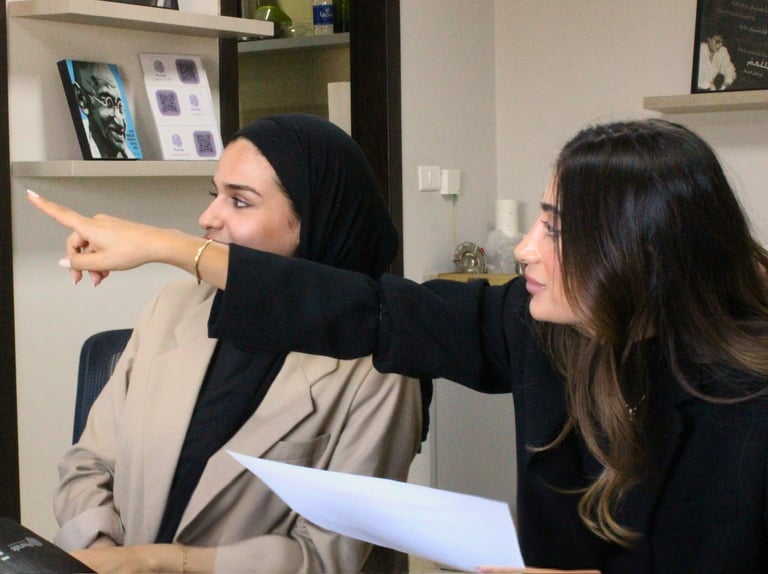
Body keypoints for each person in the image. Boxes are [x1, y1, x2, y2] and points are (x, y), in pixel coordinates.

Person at [28, 118, 768, 573]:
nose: (523, 249)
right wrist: (166, 248)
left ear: (641, 254)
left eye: (556, 229)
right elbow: (371, 309)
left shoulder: (746, 405)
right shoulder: (537, 327)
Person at [39, 114, 424, 573]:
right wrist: (104, 554)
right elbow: (88, 464)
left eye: (240, 202)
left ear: (315, 221)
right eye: (214, 194)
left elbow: (328, 556)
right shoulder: (173, 307)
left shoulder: (378, 369)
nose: (207, 218)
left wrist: (155, 563)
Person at [72, 61, 136, 159]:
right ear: (82, 100)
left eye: (119, 105)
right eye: (108, 103)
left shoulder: (130, 156)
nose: (119, 120)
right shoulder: (76, 139)